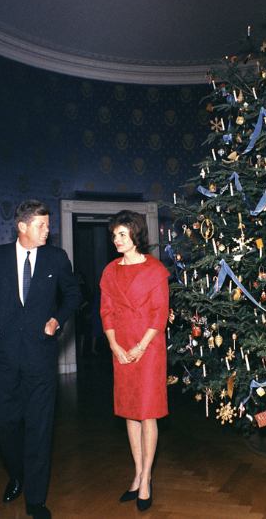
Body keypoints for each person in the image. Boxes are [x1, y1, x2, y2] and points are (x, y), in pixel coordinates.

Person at [0, 200, 81, 519]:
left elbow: (74, 295)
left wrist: (57, 320)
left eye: (48, 225)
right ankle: (16, 474)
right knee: (4, 423)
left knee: (40, 428)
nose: (48, 230)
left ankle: (35, 499)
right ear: (22, 227)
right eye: (42, 225)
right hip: (4, 358)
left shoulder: (56, 258)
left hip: (41, 358)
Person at [99, 210, 169, 512]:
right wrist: (114, 345)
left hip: (149, 345)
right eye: (114, 234)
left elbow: (160, 314)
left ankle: (146, 479)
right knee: (129, 411)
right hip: (121, 344)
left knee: (147, 412)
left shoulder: (155, 270)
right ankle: (138, 472)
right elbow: (106, 311)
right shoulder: (109, 271)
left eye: (122, 234)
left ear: (135, 236)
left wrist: (140, 347)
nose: (116, 239)